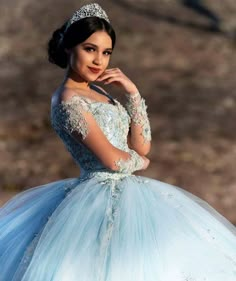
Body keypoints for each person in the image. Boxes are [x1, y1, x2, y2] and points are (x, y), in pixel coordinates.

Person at [0, 3, 235, 281]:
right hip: (95, 198)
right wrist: (140, 162)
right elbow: (112, 159)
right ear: (68, 47)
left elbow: (141, 145)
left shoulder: (99, 90)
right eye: (90, 49)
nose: (99, 60)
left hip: (130, 193)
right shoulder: (67, 100)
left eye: (106, 52)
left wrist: (132, 93)